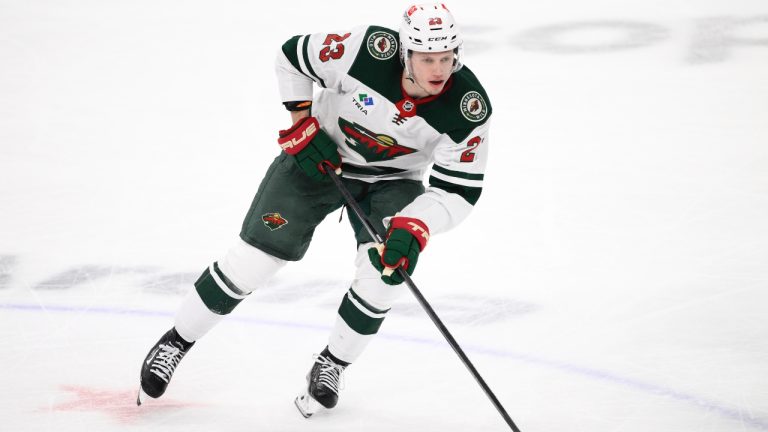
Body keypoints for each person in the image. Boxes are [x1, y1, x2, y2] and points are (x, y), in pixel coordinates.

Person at [137, 2, 492, 418]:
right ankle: (176, 341)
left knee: (385, 274)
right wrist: (301, 121)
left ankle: (332, 364)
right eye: (426, 58)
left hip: (392, 182)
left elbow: (459, 191)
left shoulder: (468, 109)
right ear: (404, 53)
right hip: (319, 158)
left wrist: (416, 224)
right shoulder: (366, 49)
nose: (438, 70)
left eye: (446, 58)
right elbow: (292, 56)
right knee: (252, 261)